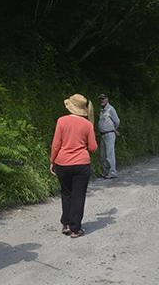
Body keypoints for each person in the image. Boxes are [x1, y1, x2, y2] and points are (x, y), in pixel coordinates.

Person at [51, 94, 98, 238]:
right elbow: (93, 147)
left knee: (66, 193)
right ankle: (75, 229)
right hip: (81, 164)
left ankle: (65, 224)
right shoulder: (87, 124)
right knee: (78, 195)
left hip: (62, 163)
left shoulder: (61, 121)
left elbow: (56, 144)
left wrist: (52, 161)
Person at [97, 93, 120, 179]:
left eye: (103, 98)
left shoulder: (111, 109)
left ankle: (113, 172)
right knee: (103, 154)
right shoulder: (101, 110)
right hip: (102, 134)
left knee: (109, 154)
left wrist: (113, 129)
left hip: (110, 133)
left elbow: (117, 121)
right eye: (100, 99)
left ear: (107, 99)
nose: (102, 100)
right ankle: (105, 172)